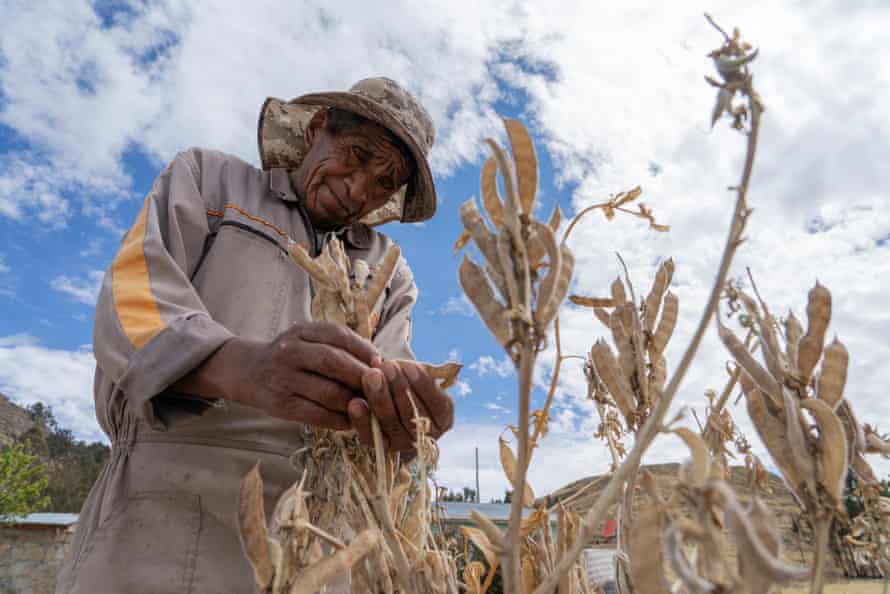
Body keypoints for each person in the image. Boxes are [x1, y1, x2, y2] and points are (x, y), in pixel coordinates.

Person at [55, 77, 454, 594]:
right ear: (317, 130)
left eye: (384, 182)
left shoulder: (389, 271)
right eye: (356, 155)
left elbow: (392, 375)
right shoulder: (210, 183)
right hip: (164, 509)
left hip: (321, 535)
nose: (360, 190)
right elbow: (131, 302)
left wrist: (409, 424)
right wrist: (242, 367)